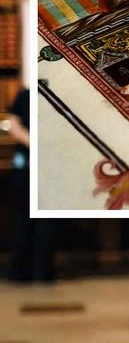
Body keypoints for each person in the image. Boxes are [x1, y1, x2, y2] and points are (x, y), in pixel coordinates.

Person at [6, 87, 56, 282]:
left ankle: (21, 272)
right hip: (42, 168)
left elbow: (13, 125)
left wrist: (31, 143)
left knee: (23, 220)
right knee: (44, 222)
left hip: (26, 167)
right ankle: (42, 272)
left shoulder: (25, 95)